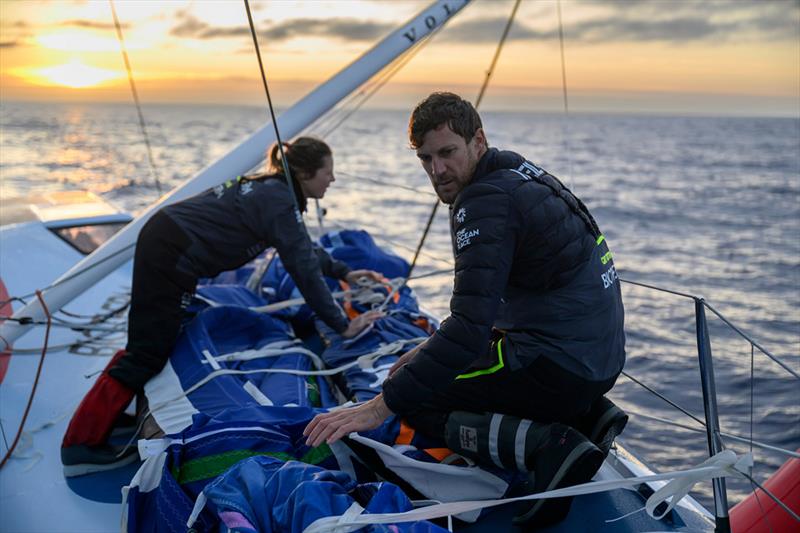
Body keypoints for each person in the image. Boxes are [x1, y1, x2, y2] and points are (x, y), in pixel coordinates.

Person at [303, 93, 627, 527]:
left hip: (559, 365)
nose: (437, 171)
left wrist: (378, 407)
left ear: (478, 139)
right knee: (417, 370)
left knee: (413, 397)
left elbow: (470, 327)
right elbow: (489, 310)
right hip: (598, 360)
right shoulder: (516, 170)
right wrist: (423, 353)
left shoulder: (484, 203)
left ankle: (548, 445)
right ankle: (590, 413)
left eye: (447, 153)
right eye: (426, 159)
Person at [61, 136, 383, 476]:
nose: (332, 179)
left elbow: (302, 248)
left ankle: (109, 419)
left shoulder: (275, 192)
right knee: (147, 353)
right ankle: (80, 445)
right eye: (327, 172)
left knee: (149, 344)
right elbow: (302, 268)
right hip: (171, 252)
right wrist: (341, 325)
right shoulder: (278, 199)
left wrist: (344, 271)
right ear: (304, 172)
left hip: (168, 242)